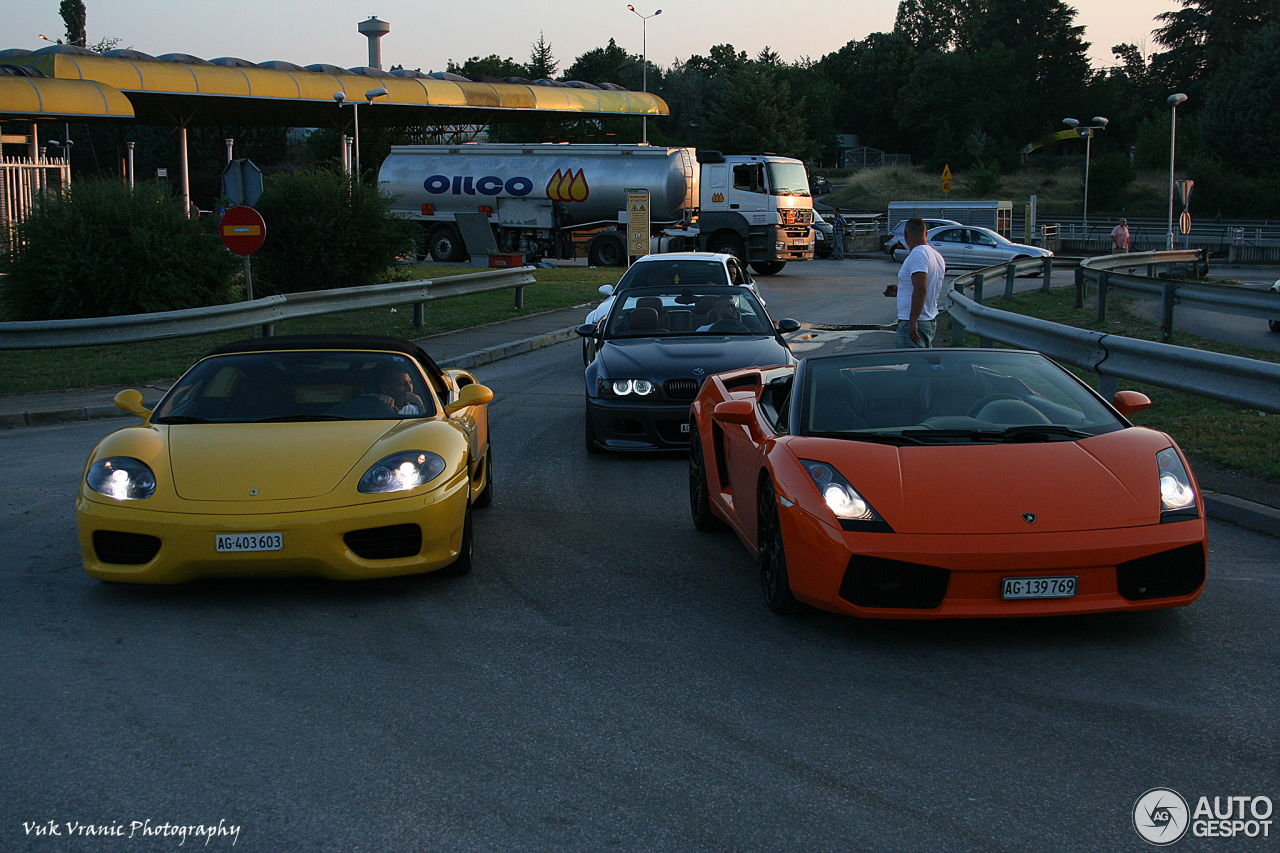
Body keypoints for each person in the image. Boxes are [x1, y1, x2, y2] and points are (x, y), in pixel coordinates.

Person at [882, 217, 946, 348]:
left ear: (905, 234)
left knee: (912, 364)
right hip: (928, 319)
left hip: (915, 322)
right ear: (926, 233)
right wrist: (900, 291)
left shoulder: (918, 255)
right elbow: (925, 287)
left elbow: (921, 290)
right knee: (921, 364)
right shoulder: (936, 256)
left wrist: (913, 321)